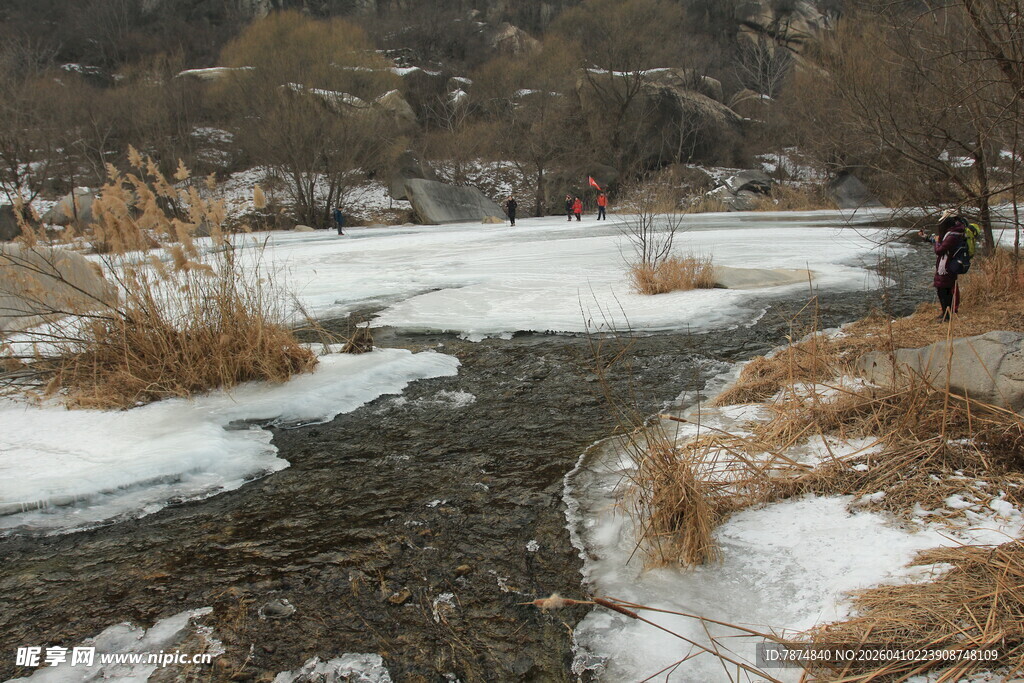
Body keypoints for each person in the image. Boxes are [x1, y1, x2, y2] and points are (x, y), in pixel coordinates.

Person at [919, 211, 967, 322]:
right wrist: (927, 237)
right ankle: (945, 313)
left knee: (944, 289)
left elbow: (939, 250)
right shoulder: (953, 232)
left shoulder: (954, 234)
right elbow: (941, 242)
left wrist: (936, 242)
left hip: (948, 266)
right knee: (941, 288)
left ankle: (947, 315)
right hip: (946, 265)